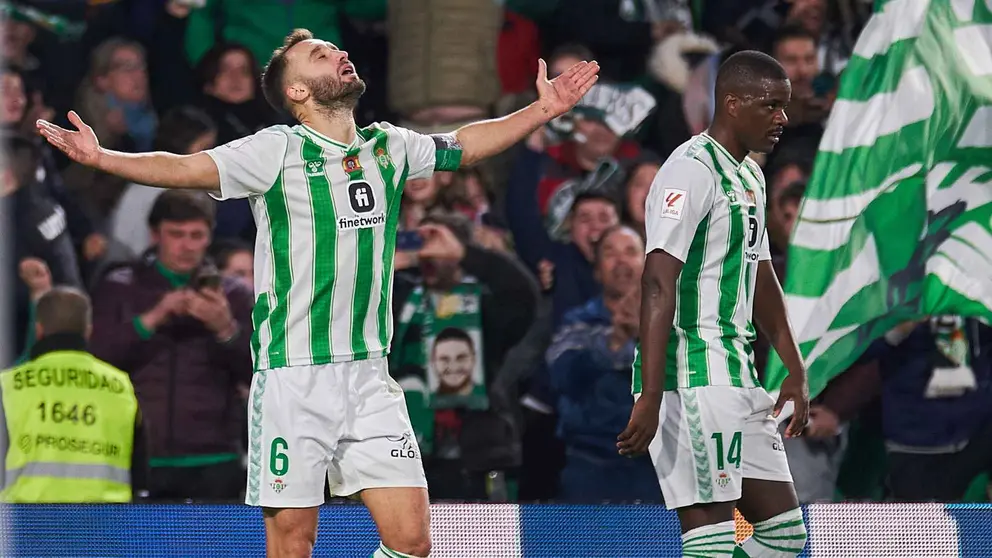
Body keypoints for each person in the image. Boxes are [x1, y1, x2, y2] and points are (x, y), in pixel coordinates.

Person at [37, 28, 598, 558]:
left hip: (370, 375)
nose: (338, 55)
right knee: (293, 545)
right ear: (298, 91)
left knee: (414, 541)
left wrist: (544, 109)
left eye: (336, 50)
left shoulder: (389, 147)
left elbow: (464, 145)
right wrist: (104, 158)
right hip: (293, 375)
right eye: (320, 55)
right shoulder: (275, 151)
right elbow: (184, 166)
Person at [617, 51, 810, 558]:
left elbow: (761, 275)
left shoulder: (751, 176)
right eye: (770, 106)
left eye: (785, 107)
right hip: (692, 378)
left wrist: (794, 367)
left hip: (739, 375)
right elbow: (658, 283)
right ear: (732, 103)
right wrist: (652, 393)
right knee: (712, 544)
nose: (782, 119)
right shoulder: (689, 171)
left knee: (785, 538)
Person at [0, 287, 147, 503]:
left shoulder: (9, 386)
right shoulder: (120, 386)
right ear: (88, 331)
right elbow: (140, 470)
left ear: (39, 330)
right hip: (104, 526)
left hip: (26, 525)